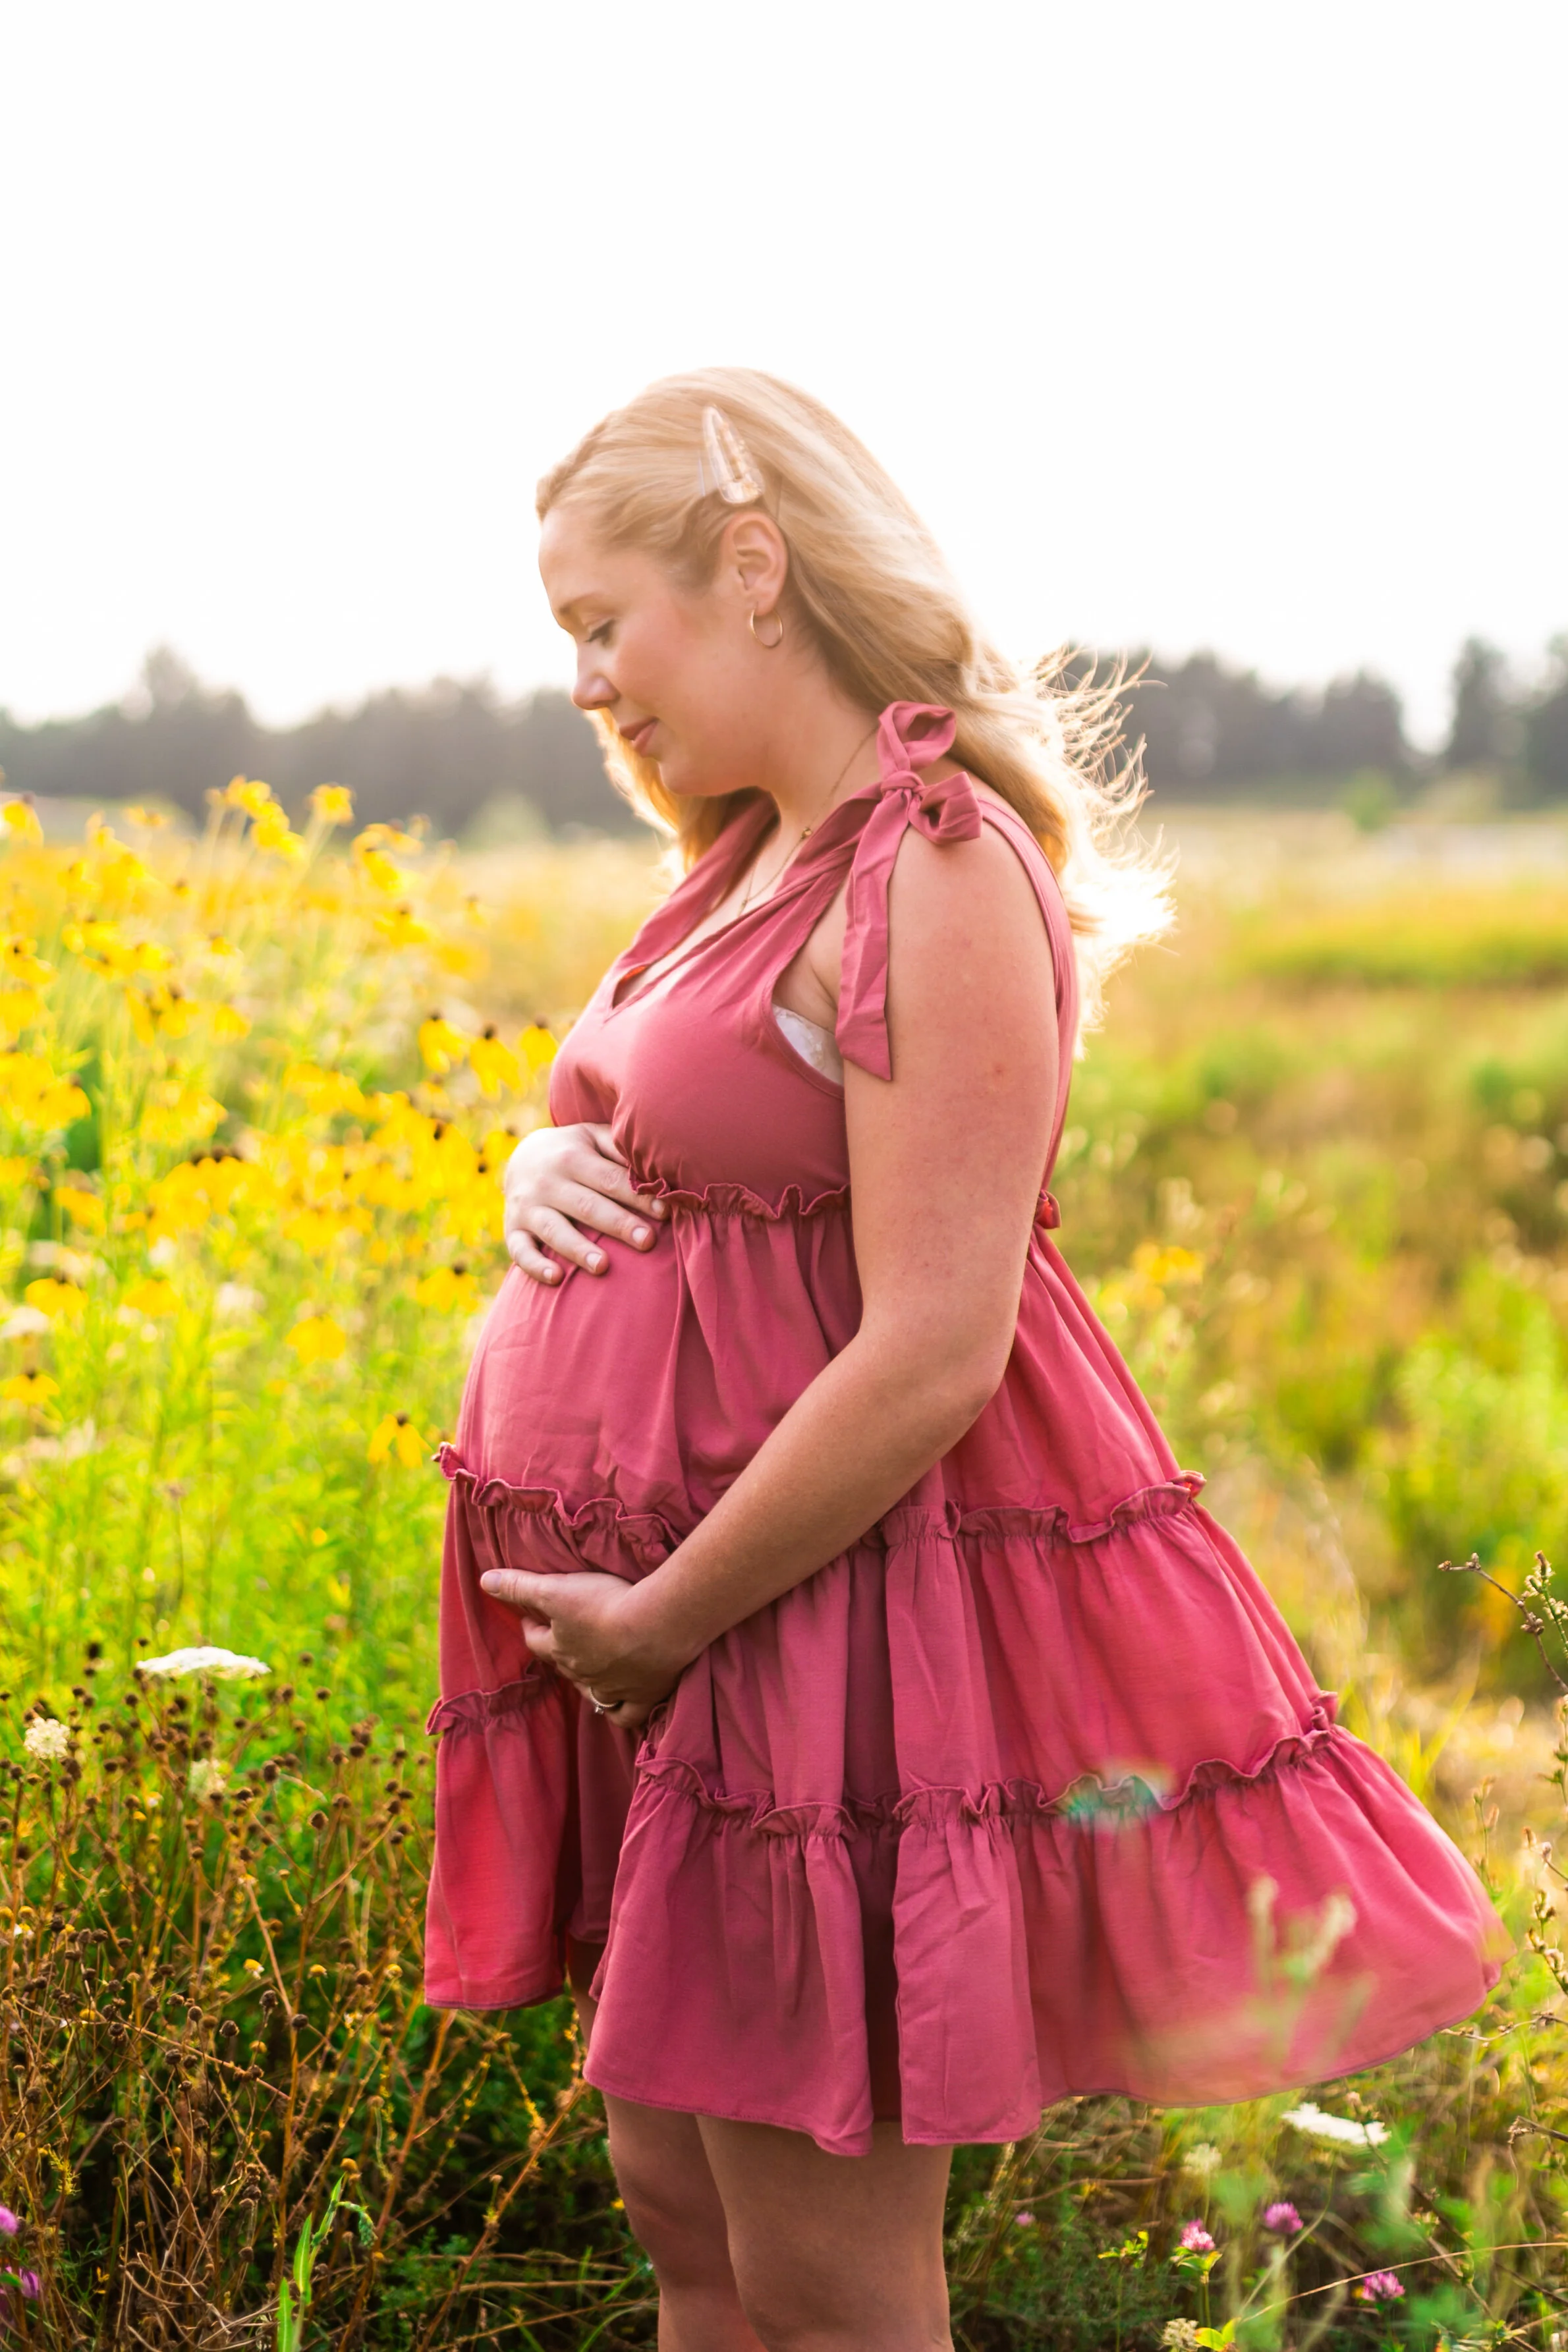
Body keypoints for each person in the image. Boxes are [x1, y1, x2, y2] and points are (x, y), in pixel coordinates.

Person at [423, 370, 1502, 2352]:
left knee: (825, 2277)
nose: (583, 683)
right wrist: (541, 1154)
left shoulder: (926, 861)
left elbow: (937, 1344)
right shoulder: (743, 852)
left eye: (602, 622)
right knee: (689, 2218)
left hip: (791, 1633)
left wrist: (662, 1621)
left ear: (752, 568)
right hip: (668, 1639)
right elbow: (678, 1120)